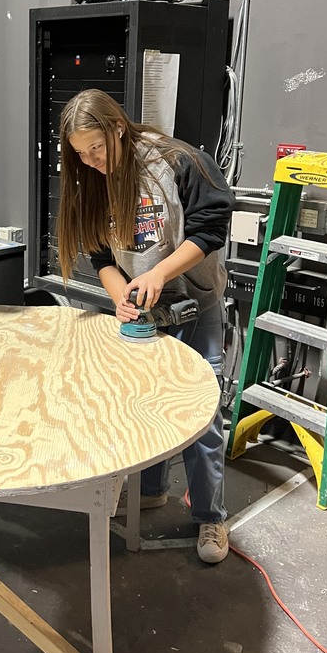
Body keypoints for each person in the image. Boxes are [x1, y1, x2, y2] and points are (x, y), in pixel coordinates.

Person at [57, 88, 235, 564]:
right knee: (142, 401)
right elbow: (101, 258)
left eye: (97, 148)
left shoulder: (178, 161)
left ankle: (211, 516)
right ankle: (151, 491)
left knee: (201, 412)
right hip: (144, 307)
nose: (91, 161)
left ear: (118, 128)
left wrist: (159, 273)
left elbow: (211, 228)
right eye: (81, 153)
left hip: (195, 302)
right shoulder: (91, 178)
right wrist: (122, 297)